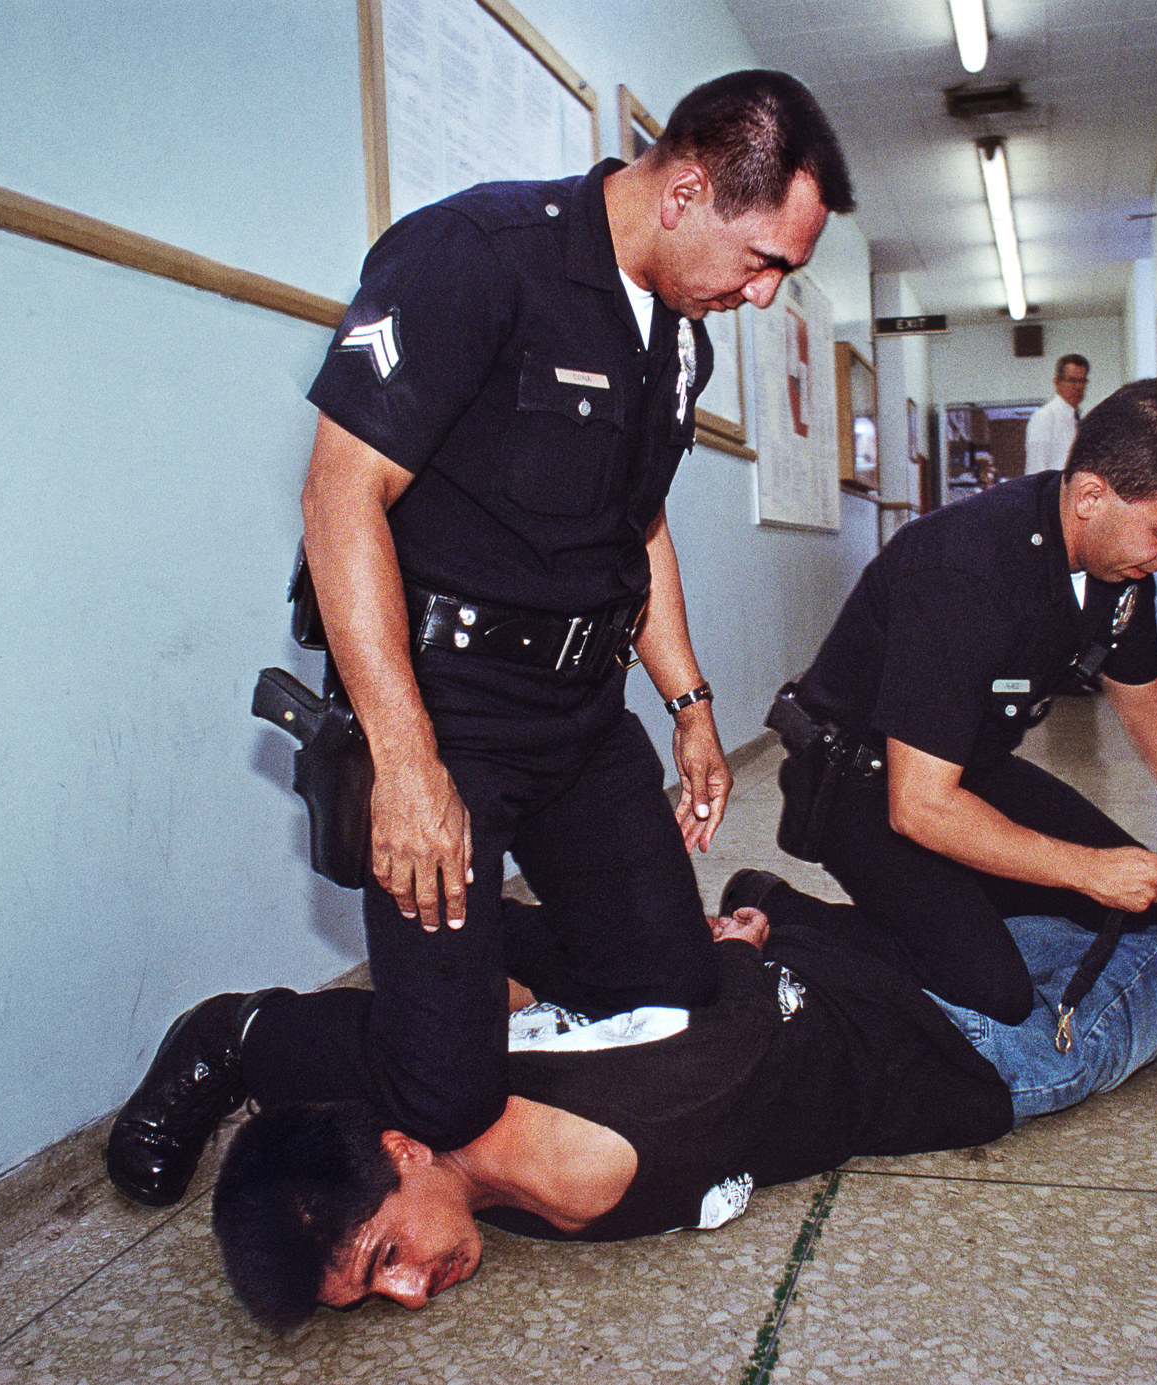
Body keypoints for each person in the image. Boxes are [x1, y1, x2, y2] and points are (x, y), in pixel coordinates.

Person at [273, 71, 856, 1161]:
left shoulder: (682, 336)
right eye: (766, 260)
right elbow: (336, 495)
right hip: (448, 710)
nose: (767, 294)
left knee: (669, 996)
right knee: (444, 1100)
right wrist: (403, 762)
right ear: (683, 193)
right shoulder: (474, 255)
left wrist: (686, 702)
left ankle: (468, 956)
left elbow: (636, 526)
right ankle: (248, 1036)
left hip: (581, 717)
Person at [102, 876, 1157, 1329]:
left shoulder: (612, 1147)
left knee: (1090, 1027)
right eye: (376, 1289)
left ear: (403, 1146)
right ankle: (1104, 915)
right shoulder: (420, 1100)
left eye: (383, 1255)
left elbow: (713, 1030)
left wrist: (720, 953)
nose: (411, 1287)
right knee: (1001, 938)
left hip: (914, 1045)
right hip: (814, 964)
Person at [764, 377, 1157, 1030]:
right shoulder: (964, 569)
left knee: (1149, 901)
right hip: (859, 785)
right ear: (1091, 496)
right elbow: (920, 807)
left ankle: (979, 907)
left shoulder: (1121, 565)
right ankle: (779, 915)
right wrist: (1084, 870)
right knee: (991, 990)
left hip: (967, 765)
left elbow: (1140, 692)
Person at [1024, 353, 1089, 472]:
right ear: (1057, 382)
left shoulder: (1078, 420)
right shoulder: (1043, 417)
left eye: (1082, 381)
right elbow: (1035, 470)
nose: (1078, 387)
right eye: (1072, 380)